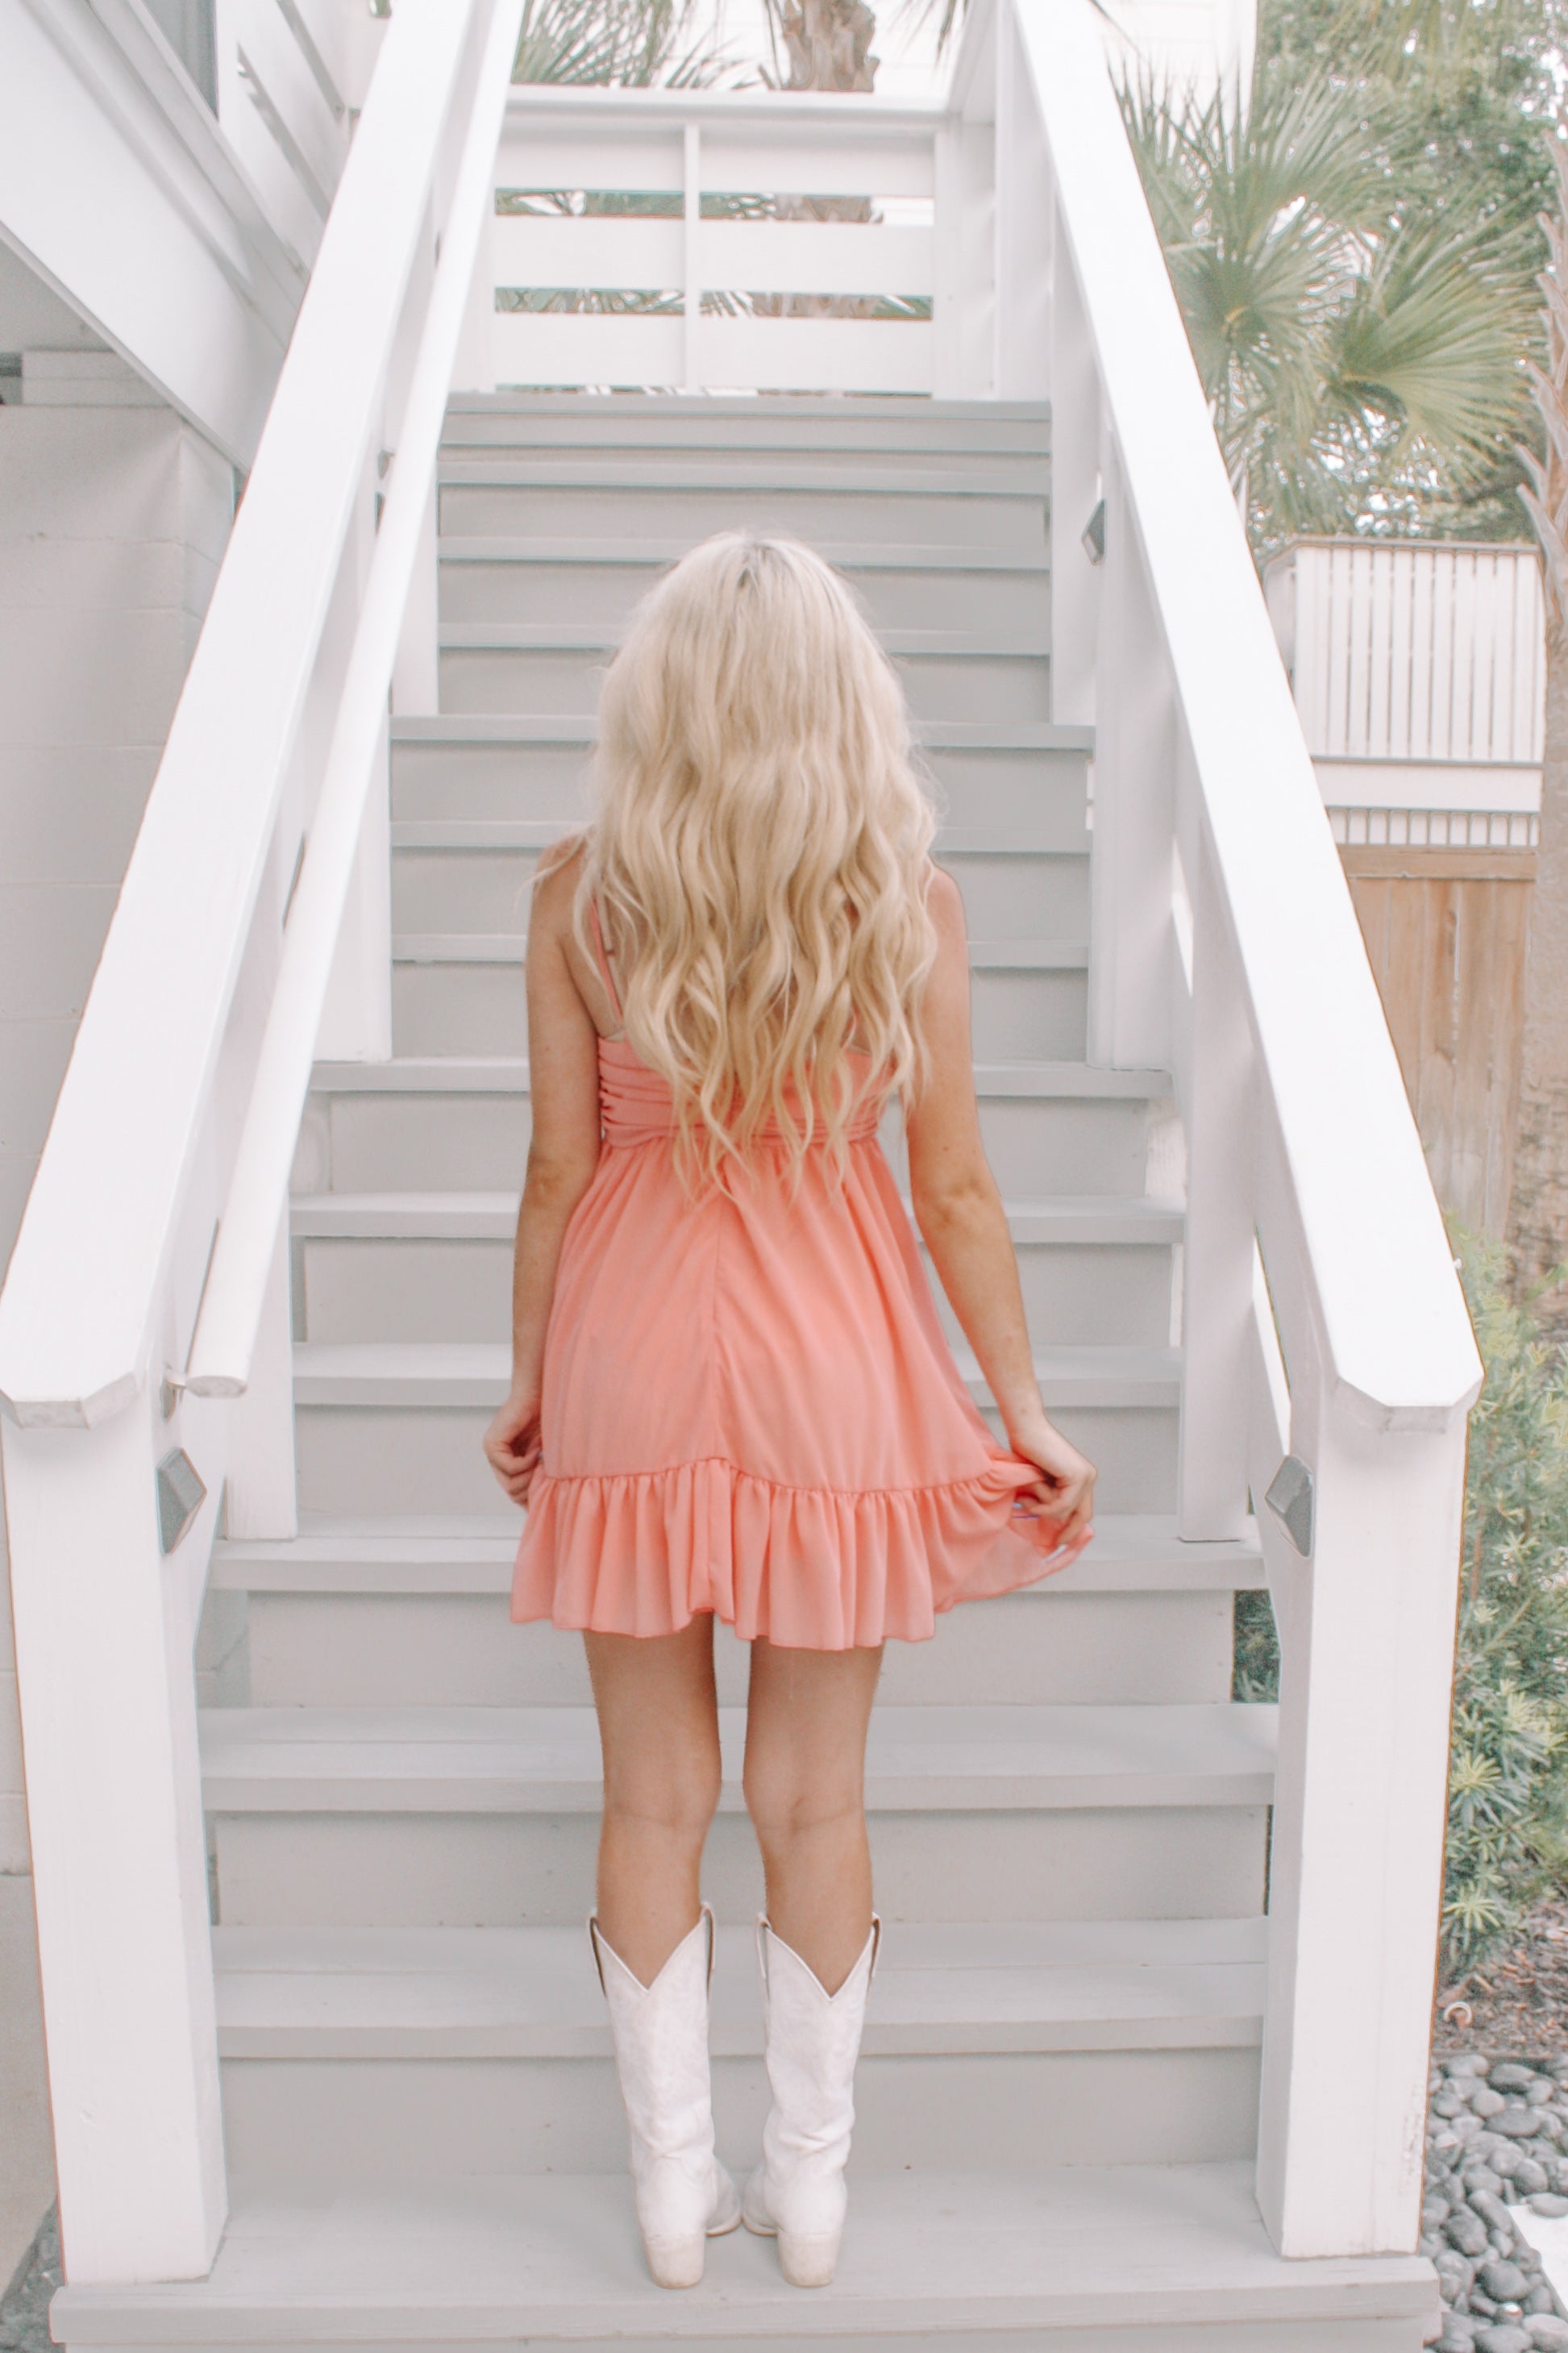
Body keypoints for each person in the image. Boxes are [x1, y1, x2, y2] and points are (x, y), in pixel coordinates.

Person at [482, 532, 1096, 2294]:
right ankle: (807, 2199)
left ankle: (675, 2201)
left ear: (654, 701)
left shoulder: (577, 897)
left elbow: (551, 1168)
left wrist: (532, 1377)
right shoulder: (904, 899)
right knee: (811, 1799)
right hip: (835, 1357)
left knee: (651, 1791)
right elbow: (956, 1190)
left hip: (629, 1338)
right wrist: (1023, 1405)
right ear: (848, 703)